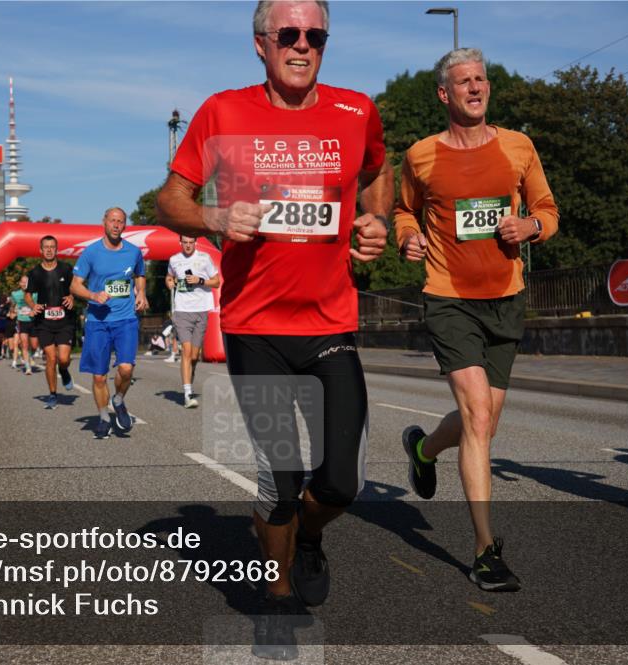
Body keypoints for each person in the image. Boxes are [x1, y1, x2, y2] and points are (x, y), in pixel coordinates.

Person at [156, 1, 393, 658]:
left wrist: (379, 224)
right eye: (287, 33)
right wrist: (214, 214)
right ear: (259, 43)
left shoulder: (354, 112)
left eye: (315, 34)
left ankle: (309, 533)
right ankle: (278, 591)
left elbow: (376, 173)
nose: (302, 44)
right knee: (279, 476)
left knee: (341, 482)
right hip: (255, 325)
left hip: (331, 323)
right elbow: (170, 198)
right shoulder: (222, 112)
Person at [394, 47, 559, 592]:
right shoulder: (421, 155)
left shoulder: (519, 147)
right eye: (463, 81)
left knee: (482, 420)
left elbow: (549, 211)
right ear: (445, 94)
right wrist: (408, 237)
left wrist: (530, 227)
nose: (475, 88)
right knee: (478, 415)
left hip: (505, 297)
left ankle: (423, 449)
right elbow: (402, 210)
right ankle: (486, 550)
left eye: (481, 79)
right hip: (448, 297)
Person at [70, 207, 148, 440]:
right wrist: (93, 296)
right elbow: (75, 286)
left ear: (125, 226)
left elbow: (139, 274)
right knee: (99, 377)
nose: (116, 225)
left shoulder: (133, 252)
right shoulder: (91, 253)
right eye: (112, 220)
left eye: (120, 221)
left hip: (125, 320)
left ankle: (119, 399)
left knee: (126, 368)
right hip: (98, 321)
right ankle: (104, 417)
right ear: (104, 222)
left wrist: (141, 293)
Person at [165, 235, 221, 407]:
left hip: (201, 310)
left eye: (191, 243)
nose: (188, 246)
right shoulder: (174, 259)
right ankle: (188, 393)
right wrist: (169, 282)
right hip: (182, 311)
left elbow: (217, 282)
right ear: (180, 243)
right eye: (185, 243)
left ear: (195, 243)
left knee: (195, 357)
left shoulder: (204, 258)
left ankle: (189, 375)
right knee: (186, 351)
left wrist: (200, 280)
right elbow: (169, 276)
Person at [25, 236, 76, 409]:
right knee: (50, 358)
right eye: (45, 247)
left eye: (52, 247)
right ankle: (53, 394)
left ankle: (64, 370)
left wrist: (71, 296)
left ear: (56, 249)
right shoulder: (35, 273)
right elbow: (27, 295)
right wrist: (33, 305)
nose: (49, 250)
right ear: (41, 250)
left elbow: (76, 287)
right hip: (44, 321)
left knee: (63, 359)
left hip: (65, 321)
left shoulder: (66, 269)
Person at [11, 275, 38, 374]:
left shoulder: (35, 294)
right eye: (23, 282)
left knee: (34, 345)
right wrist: (13, 311)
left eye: (26, 282)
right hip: (22, 321)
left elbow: (41, 305)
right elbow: (13, 305)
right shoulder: (15, 294)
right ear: (20, 283)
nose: (24, 284)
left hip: (33, 321)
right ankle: (28, 368)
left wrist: (34, 311)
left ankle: (31, 355)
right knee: (24, 344)